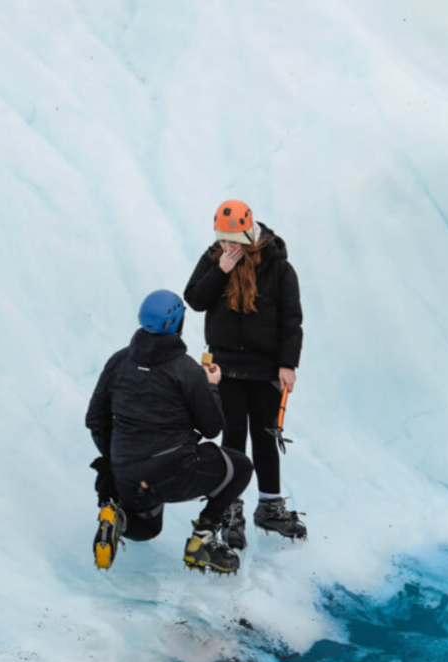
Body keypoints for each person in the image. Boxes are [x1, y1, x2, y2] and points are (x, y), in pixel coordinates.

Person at [86, 290, 252, 574]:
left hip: (126, 472)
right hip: (174, 472)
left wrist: (117, 460)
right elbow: (212, 428)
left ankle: (117, 517)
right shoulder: (186, 370)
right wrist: (211, 385)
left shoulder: (119, 361)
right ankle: (203, 540)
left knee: (147, 529)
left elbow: (95, 420)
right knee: (240, 467)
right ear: (177, 323)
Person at [184, 199, 306, 549]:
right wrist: (220, 269)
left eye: (234, 241)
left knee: (266, 436)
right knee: (233, 439)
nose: (228, 246)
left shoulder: (278, 266)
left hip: (265, 367)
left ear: (249, 233)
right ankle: (230, 510)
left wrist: (288, 364)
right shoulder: (214, 259)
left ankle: (269, 506)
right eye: (223, 240)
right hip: (225, 367)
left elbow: (291, 319)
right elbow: (194, 299)